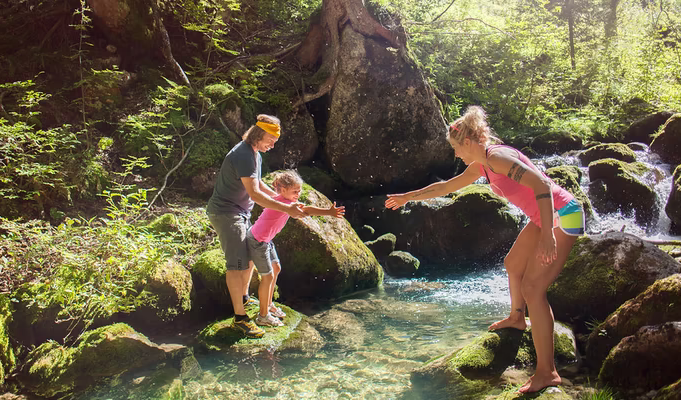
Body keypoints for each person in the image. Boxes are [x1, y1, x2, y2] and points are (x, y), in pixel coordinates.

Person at [384, 106, 585, 393]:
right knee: (513, 263)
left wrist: (548, 237)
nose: (455, 154)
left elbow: (541, 183)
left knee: (534, 288)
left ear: (468, 142)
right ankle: (517, 318)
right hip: (545, 216)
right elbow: (446, 187)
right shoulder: (482, 165)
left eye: (455, 148)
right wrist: (408, 197)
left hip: (563, 214)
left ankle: (547, 372)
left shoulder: (497, 158)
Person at [206, 115, 307, 338]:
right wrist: (287, 209)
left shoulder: (254, 154)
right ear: (259, 134)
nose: (273, 145)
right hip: (226, 213)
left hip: (240, 212)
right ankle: (240, 319)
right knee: (237, 265)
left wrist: (285, 201)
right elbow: (254, 194)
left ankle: (243, 298)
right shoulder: (243, 154)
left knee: (249, 256)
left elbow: (257, 183)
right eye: (271, 139)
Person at [248, 170, 345, 327]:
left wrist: (328, 212)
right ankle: (263, 315)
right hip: (257, 241)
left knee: (276, 268)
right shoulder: (283, 203)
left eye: (299, 191)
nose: (298, 194)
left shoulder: (285, 201)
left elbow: (306, 209)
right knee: (268, 276)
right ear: (283, 190)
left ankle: (269, 304)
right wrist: (328, 212)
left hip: (266, 240)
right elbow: (306, 211)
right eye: (295, 191)